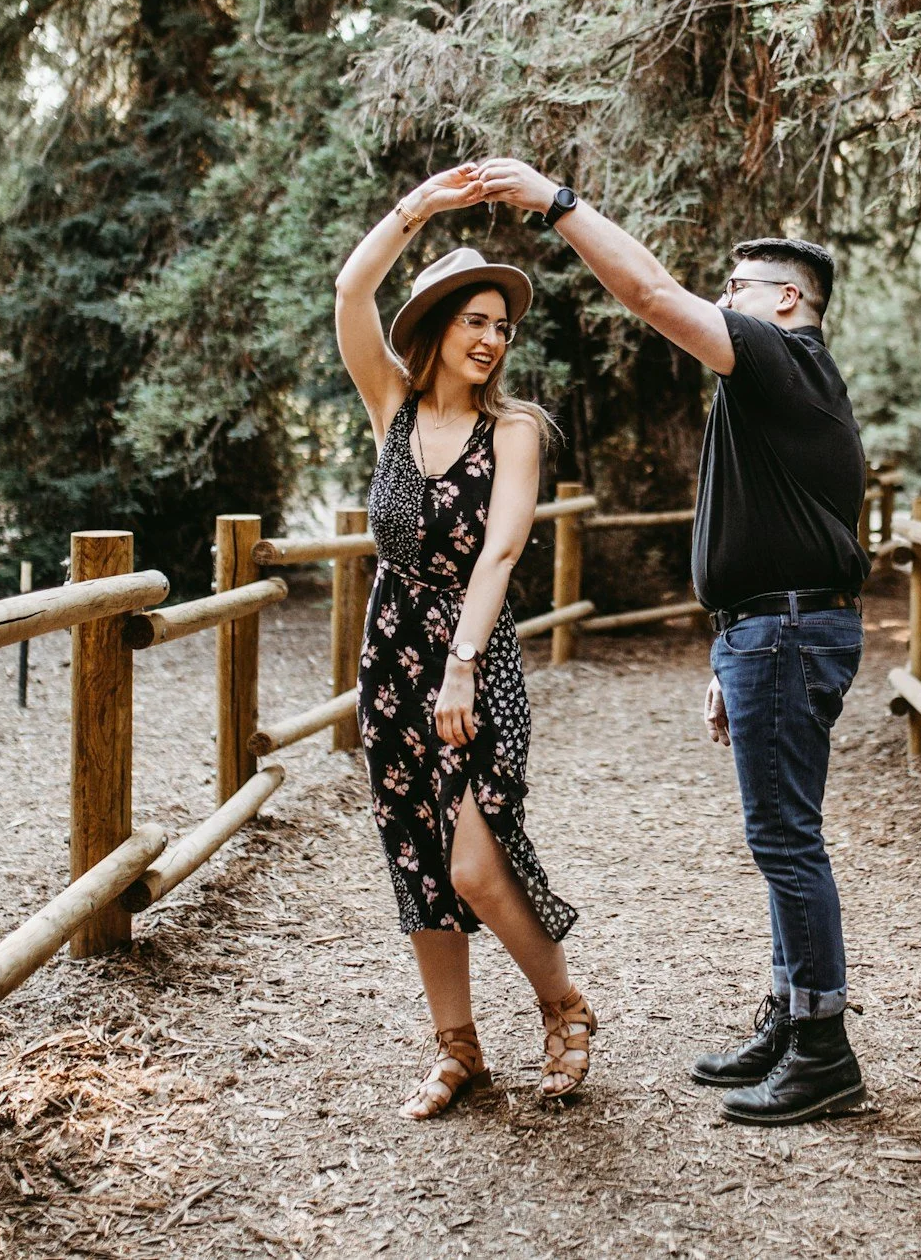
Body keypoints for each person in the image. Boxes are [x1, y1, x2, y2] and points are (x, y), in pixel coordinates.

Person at [474, 157, 871, 1127]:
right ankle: (789, 1017)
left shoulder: (786, 359)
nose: (720, 304)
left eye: (736, 291)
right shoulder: (780, 384)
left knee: (786, 838)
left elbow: (650, 292)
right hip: (767, 628)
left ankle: (824, 1051)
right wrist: (725, 648)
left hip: (782, 630)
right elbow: (768, 529)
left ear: (786, 301)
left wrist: (556, 204)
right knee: (782, 835)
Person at [333, 166, 593, 1119]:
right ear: (437, 327)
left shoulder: (515, 429)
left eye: (502, 325)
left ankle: (564, 1008)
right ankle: (458, 1049)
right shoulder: (391, 408)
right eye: (475, 320)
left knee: (475, 862)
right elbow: (350, 290)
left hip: (470, 657)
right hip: (388, 653)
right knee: (415, 853)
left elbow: (502, 549)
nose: (491, 339)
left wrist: (462, 665)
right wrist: (424, 208)